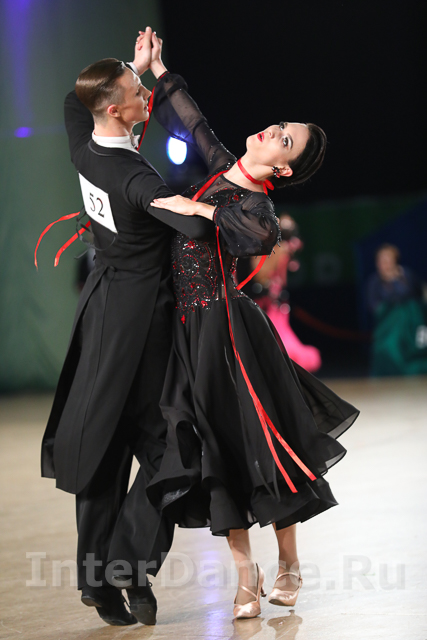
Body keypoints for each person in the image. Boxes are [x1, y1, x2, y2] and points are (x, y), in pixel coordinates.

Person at [144, 39, 359, 619]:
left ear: (282, 169)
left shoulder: (259, 206)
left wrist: (200, 209)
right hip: (190, 332)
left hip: (232, 332)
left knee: (264, 444)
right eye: (280, 126)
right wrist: (159, 71)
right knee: (215, 451)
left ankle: (288, 563)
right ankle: (245, 574)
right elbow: (193, 121)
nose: (271, 131)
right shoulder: (223, 166)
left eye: (283, 139)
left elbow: (258, 237)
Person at [40, 29, 213, 627]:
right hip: (141, 328)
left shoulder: (84, 144)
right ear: (115, 110)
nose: (145, 96)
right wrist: (214, 205)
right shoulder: (135, 179)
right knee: (173, 448)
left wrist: (132, 67)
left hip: (101, 314)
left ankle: (101, 577)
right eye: (138, 91)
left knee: (104, 446)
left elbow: (74, 101)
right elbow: (192, 227)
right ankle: (128, 567)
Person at [247, 214, 322, 372]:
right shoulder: (279, 250)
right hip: (270, 300)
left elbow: (263, 275)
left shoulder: (275, 250)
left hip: (272, 300)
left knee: (274, 336)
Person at [367, 243, 427, 376]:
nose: (384, 264)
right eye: (381, 260)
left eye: (387, 260)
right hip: (388, 332)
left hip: (412, 328)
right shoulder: (374, 281)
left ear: (394, 261)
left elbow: (418, 295)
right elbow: (374, 306)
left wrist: (397, 280)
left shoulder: (408, 275)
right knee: (388, 350)